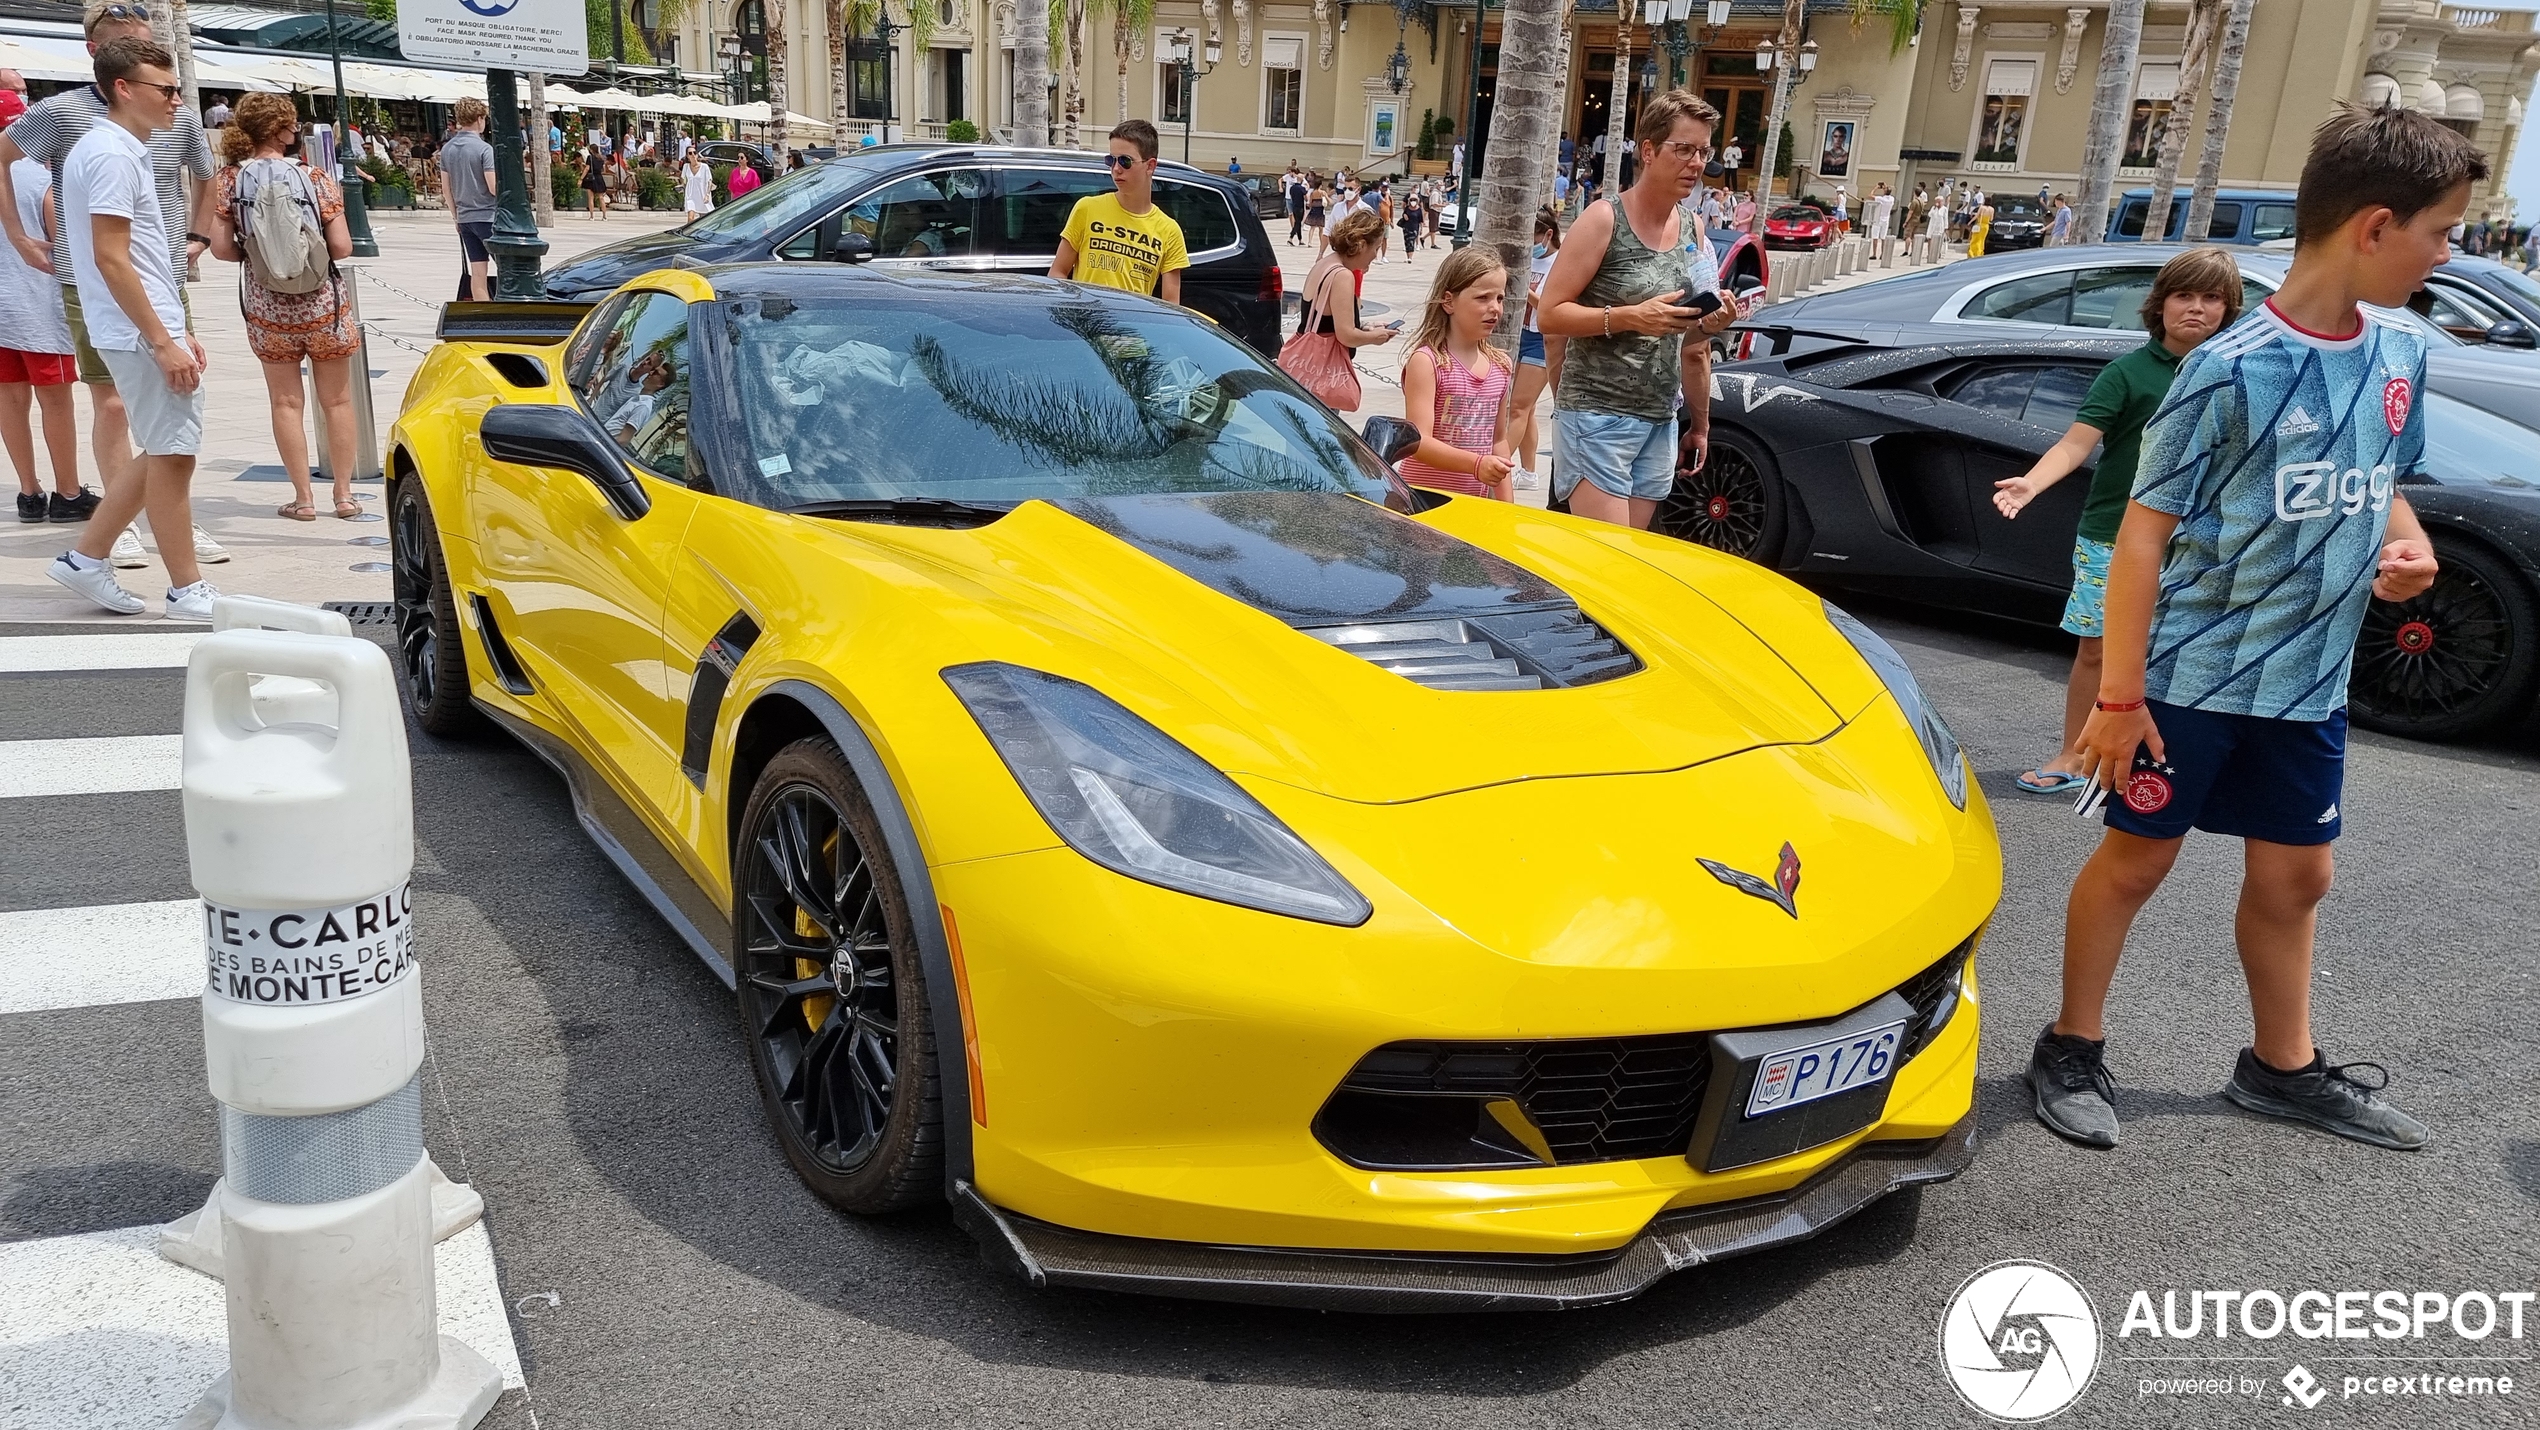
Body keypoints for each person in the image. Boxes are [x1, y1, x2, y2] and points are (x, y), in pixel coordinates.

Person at [2027, 102, 2474, 1156]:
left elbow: (2381, 488)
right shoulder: (2225, 368)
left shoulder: (2402, 348)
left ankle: (2278, 1065)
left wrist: (2404, 547)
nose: (2445, 254)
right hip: (2187, 676)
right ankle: (2069, 1042)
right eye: (2439, 231)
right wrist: (2118, 699)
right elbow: (2139, 539)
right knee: (2136, 859)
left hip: (2307, 682)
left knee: (2295, 876)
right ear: (2372, 227)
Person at [1992, 248, 2241, 793]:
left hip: (2204, 543)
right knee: (2098, 649)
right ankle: (2073, 756)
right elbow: (2075, 444)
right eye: (2184, 296)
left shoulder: (2239, 374)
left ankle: (2164, 762)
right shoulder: (2127, 374)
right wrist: (2031, 482)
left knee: (2184, 655)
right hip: (2113, 537)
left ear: (2228, 307)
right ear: (2160, 305)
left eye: (2211, 298)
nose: (2196, 308)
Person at [0, 0, 220, 576]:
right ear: (103, 60)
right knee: (123, 406)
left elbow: (206, 172)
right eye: (127, 44)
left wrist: (197, 236)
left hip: (163, 277)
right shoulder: (69, 118)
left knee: (169, 423)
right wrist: (21, 239)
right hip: (102, 284)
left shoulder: (167, 120)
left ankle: (147, 522)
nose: (174, 93)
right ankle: (122, 539)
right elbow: (106, 251)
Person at [47, 38, 215, 619]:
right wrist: (163, 337)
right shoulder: (114, 153)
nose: (177, 101)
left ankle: (87, 558)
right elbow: (112, 256)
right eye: (166, 90)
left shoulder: (112, 148)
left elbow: (133, 255)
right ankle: (185, 587)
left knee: (169, 448)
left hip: (137, 323)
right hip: (135, 327)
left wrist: (172, 327)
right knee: (173, 453)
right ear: (123, 88)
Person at [1537, 91, 1736, 531]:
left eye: (1704, 151)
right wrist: (1628, 316)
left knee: (1630, 564)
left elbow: (1692, 342)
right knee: (1609, 562)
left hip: (1659, 419)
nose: (1697, 163)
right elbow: (1549, 315)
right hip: (1595, 415)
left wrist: (1712, 325)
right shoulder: (1604, 219)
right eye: (1684, 149)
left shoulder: (1693, 225)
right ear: (1648, 150)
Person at [208, 91, 362, 525]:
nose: (296, 132)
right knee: (337, 400)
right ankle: (345, 495)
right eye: (292, 126)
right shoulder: (316, 178)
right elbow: (342, 246)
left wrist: (260, 257)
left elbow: (221, 249)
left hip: (267, 309)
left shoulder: (229, 181)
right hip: (324, 306)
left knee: (285, 402)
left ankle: (303, 498)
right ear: (279, 130)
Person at [4, 136, 87, 524]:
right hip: (37, 305)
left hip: (4, 311)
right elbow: (64, 243)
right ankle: (68, 491)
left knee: (9, 402)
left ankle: (28, 492)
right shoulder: (37, 178)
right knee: (55, 401)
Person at [1397, 245, 1516, 501]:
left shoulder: (1501, 366)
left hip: (1474, 505)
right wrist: (1476, 465)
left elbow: (1498, 442)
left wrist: (1507, 509)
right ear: (1449, 301)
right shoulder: (1427, 362)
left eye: (1499, 298)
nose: (1495, 308)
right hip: (1424, 502)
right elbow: (1418, 442)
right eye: (1482, 298)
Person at [1051, 119, 1187, 302]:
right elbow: (1058, 272)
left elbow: (1171, 307)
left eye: (1125, 161)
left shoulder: (1169, 231)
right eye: (1110, 160)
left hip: (1133, 328)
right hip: (1085, 326)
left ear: (1150, 166)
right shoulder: (1086, 209)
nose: (1116, 169)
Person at [1293, 209, 1396, 360]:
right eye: (1376, 248)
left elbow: (1326, 321)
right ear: (1361, 245)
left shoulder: (1324, 264)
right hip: (1326, 366)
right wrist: (1374, 338)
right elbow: (1346, 335)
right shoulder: (1343, 276)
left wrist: (1363, 326)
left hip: (1308, 358)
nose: (1375, 255)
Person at [1508, 206, 1562, 493]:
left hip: (1542, 339)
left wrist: (1522, 290)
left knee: (1517, 407)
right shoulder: (1527, 260)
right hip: (1519, 334)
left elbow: (1552, 308)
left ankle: (1497, 464)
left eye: (1532, 237)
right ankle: (1528, 472)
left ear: (1547, 235)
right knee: (1523, 410)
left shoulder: (1561, 264)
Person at [441, 97, 495, 299]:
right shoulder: (484, 149)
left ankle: (485, 316)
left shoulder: (447, 149)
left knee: (478, 272)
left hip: (465, 218)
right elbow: (492, 186)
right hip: (488, 215)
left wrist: (456, 217)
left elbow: (447, 189)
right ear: (480, 119)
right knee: (508, 270)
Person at [680, 148, 714, 222]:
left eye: (694, 153)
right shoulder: (686, 167)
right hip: (690, 196)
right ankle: (689, 233)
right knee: (690, 218)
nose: (693, 155)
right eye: (690, 153)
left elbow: (709, 181)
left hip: (702, 195)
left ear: (697, 154)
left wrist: (707, 195)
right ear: (687, 156)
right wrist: (682, 186)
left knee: (704, 221)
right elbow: (683, 180)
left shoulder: (704, 167)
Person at [579, 142, 608, 219]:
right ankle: (604, 216)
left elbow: (587, 168)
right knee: (601, 197)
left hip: (591, 178)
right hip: (599, 177)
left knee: (591, 197)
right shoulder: (601, 158)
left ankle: (592, 216)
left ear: (591, 150)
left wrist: (581, 178)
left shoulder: (590, 157)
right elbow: (603, 170)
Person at [1397, 181, 1425, 255]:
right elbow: (1403, 204)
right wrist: (1406, 211)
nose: (1416, 189)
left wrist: (1420, 211)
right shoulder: (1407, 196)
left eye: (1417, 187)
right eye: (1415, 187)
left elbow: (1422, 206)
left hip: (1416, 215)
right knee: (1407, 234)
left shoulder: (1419, 196)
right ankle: (1406, 246)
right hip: (1408, 217)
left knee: (1416, 232)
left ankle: (1417, 244)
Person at [1304, 174, 1328, 258]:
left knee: (1312, 227)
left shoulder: (1312, 193)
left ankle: (1309, 242)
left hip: (1314, 210)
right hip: (1320, 210)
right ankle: (1321, 242)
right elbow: (1327, 201)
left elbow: (1310, 203)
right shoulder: (1323, 192)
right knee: (1321, 228)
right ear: (1320, 185)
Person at [1967, 190, 1994, 257]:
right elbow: (1991, 219)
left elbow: (1977, 216)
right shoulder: (1992, 209)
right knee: (1982, 240)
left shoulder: (1982, 207)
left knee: (1975, 239)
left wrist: (1970, 222)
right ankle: (1980, 252)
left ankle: (1973, 252)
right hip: (1986, 226)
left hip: (1980, 224)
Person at [1284, 162, 1306, 244]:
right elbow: (1306, 197)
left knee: (1298, 222)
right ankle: (1291, 237)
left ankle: (1300, 239)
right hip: (1300, 207)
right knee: (1297, 223)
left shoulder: (1292, 188)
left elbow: (1291, 195)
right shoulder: (1301, 188)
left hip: (1294, 206)